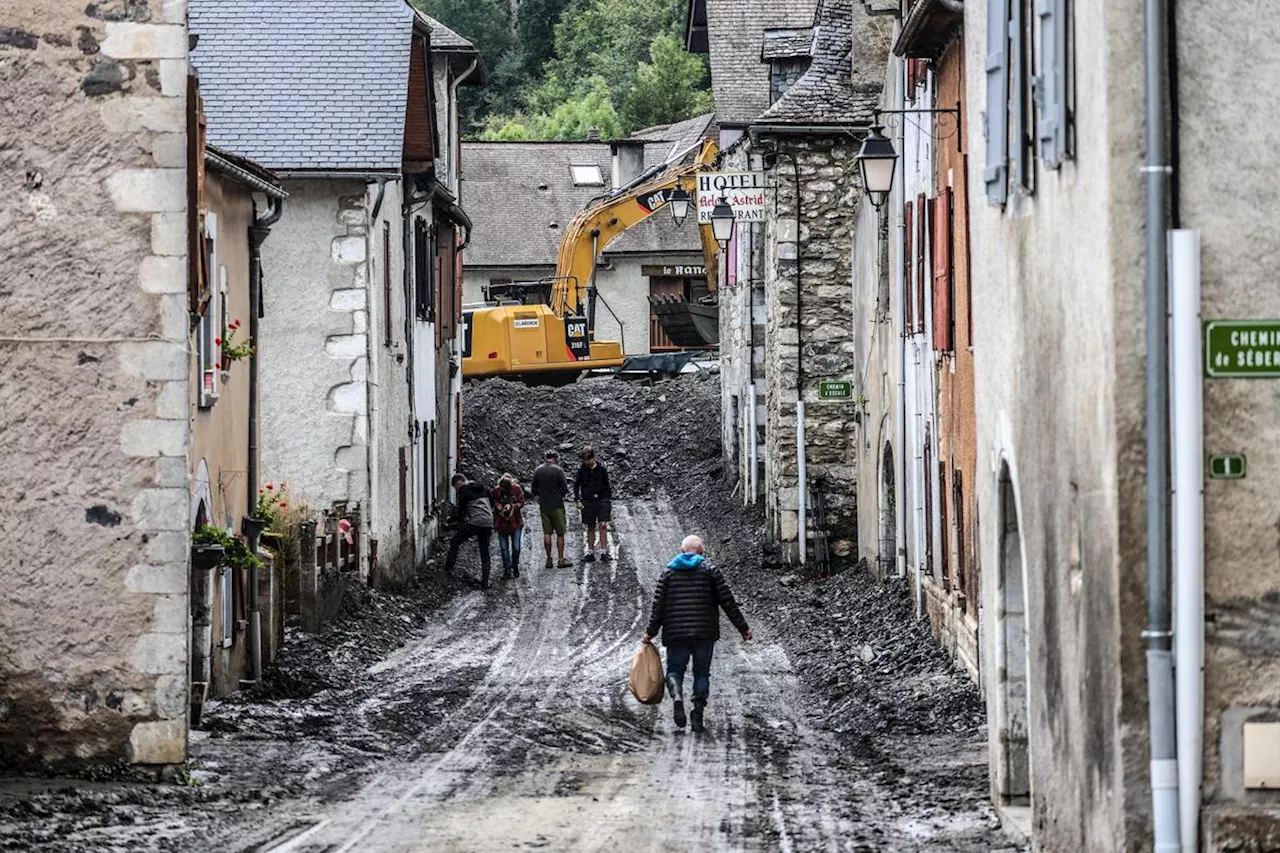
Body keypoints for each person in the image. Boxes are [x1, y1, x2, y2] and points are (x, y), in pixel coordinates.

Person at [642, 534, 751, 732]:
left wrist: (650, 632)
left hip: (676, 634)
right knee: (701, 673)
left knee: (674, 671)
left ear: (682, 551)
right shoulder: (711, 572)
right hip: (704, 633)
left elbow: (658, 607)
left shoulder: (668, 573)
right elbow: (728, 602)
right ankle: (698, 712)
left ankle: (676, 697)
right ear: (701, 553)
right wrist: (743, 628)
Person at [445, 473, 494, 589]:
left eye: (455, 487)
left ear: (458, 482)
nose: (456, 490)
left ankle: (448, 569)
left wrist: (452, 522)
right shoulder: (482, 487)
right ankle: (485, 581)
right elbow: (491, 503)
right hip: (488, 522)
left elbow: (460, 513)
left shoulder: (463, 490)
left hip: (475, 522)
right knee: (484, 551)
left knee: (455, 541)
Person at [531, 450, 573, 569]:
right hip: (557, 504)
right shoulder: (558, 470)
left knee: (547, 533)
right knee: (560, 533)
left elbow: (533, 490)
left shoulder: (538, 470)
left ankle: (549, 559)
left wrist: (542, 494)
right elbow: (564, 489)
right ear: (555, 458)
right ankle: (560, 559)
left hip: (544, 505)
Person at [574, 445, 612, 563]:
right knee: (590, 526)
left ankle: (604, 551)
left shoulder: (602, 470)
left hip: (601, 500)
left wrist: (607, 500)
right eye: (585, 460)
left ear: (593, 458)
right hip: (588, 501)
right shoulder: (582, 470)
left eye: (588, 460)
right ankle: (590, 552)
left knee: (603, 525)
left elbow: (607, 486)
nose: (586, 462)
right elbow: (576, 485)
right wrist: (578, 499)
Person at [491, 473, 525, 580]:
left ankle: (515, 566)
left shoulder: (517, 489)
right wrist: (499, 506)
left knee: (516, 547)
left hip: (516, 522)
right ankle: (507, 569)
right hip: (502, 523)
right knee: (503, 547)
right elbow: (493, 500)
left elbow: (522, 502)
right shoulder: (496, 491)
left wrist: (513, 506)